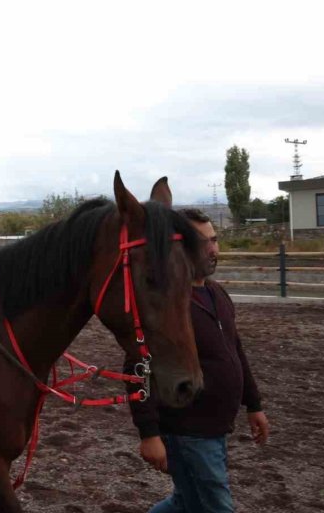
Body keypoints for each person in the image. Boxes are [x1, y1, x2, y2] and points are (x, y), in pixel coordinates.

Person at [129, 208, 270, 512]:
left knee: (186, 502)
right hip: (186, 429)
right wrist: (149, 434)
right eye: (202, 241)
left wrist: (254, 404)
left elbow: (235, 350)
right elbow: (136, 368)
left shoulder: (216, 293)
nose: (213, 249)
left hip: (216, 425)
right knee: (216, 505)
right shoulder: (166, 305)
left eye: (215, 240)